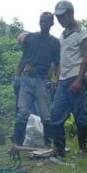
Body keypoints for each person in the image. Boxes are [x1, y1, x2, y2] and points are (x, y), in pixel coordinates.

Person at [50, 1, 87, 158]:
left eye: (62, 16)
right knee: (55, 114)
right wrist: (57, 78)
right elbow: (61, 59)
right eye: (58, 17)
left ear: (70, 13)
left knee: (80, 116)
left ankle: (84, 151)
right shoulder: (63, 34)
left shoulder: (82, 32)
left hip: (76, 78)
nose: (60, 20)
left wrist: (79, 80)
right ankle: (59, 150)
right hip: (63, 80)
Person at [14, 13, 59, 147]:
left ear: (51, 24)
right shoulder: (30, 38)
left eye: (46, 22)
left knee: (46, 115)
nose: (43, 24)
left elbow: (56, 64)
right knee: (22, 112)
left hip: (42, 80)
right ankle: (17, 144)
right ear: (38, 22)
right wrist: (17, 76)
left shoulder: (55, 42)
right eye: (41, 21)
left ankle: (48, 144)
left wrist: (56, 79)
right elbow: (24, 58)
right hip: (27, 79)